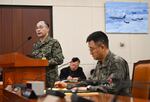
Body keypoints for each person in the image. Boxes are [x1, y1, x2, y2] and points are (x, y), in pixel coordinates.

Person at [73, 31, 130, 96]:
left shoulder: (117, 62)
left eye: (92, 49)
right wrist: (73, 86)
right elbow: (92, 81)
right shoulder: (100, 62)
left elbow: (113, 88)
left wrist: (88, 88)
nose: (90, 53)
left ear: (102, 47)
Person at [31, 21, 64, 88]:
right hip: (38, 79)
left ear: (47, 29)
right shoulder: (35, 45)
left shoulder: (54, 42)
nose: (38, 30)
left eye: (41, 27)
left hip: (51, 80)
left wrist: (44, 63)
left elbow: (59, 59)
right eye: (37, 28)